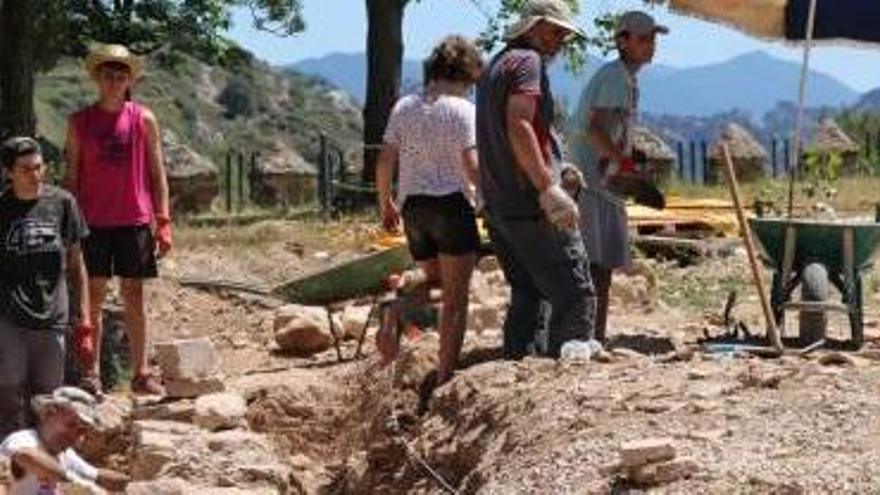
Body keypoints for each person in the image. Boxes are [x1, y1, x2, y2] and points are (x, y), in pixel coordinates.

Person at [476, 0, 596, 360]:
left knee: (528, 293)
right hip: (531, 204)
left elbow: (507, 133)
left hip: (501, 204)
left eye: (564, 35)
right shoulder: (528, 62)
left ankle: (519, 371)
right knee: (574, 294)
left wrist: (558, 166)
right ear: (533, 27)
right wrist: (548, 187)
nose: (561, 41)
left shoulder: (496, 64)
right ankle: (568, 393)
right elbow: (519, 124)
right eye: (555, 31)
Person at [375, 35, 484, 385]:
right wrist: (489, 197)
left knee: (433, 279)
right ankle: (445, 378)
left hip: (414, 208)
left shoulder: (404, 106)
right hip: (452, 205)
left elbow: (384, 160)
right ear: (467, 73)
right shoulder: (463, 110)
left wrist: (386, 204)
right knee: (455, 299)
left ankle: (396, 307)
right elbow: (471, 164)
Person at [64, 43, 171, 396]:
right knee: (91, 299)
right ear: (97, 79)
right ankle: (91, 375)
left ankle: (140, 374)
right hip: (92, 222)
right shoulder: (80, 122)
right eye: (108, 75)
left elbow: (157, 174)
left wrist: (163, 220)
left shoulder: (143, 119)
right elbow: (72, 177)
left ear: (129, 80)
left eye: (120, 75)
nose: (114, 82)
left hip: (134, 220)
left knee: (134, 296)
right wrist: (69, 226)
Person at [570, 11, 668, 343]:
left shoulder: (625, 77)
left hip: (601, 181)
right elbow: (595, 129)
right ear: (622, 41)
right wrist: (624, 164)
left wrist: (628, 156)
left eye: (652, 38)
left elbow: (610, 129)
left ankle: (592, 335)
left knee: (600, 267)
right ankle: (587, 337)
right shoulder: (614, 77)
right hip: (591, 184)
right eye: (643, 38)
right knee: (594, 266)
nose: (650, 45)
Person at [0, 137, 91, 440]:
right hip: (9, 315)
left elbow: (77, 264)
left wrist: (84, 316)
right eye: (25, 169)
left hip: (53, 313)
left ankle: (44, 465)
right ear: (8, 172)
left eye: (39, 167)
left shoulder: (63, 203)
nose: (35, 175)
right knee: (10, 387)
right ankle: (10, 458)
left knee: (47, 395)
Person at [0, 387, 129, 494]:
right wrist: (76, 483)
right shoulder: (23, 439)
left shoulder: (65, 455)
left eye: (82, 430)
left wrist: (134, 484)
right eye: (71, 425)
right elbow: (26, 456)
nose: (75, 435)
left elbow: (99, 477)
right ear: (49, 414)